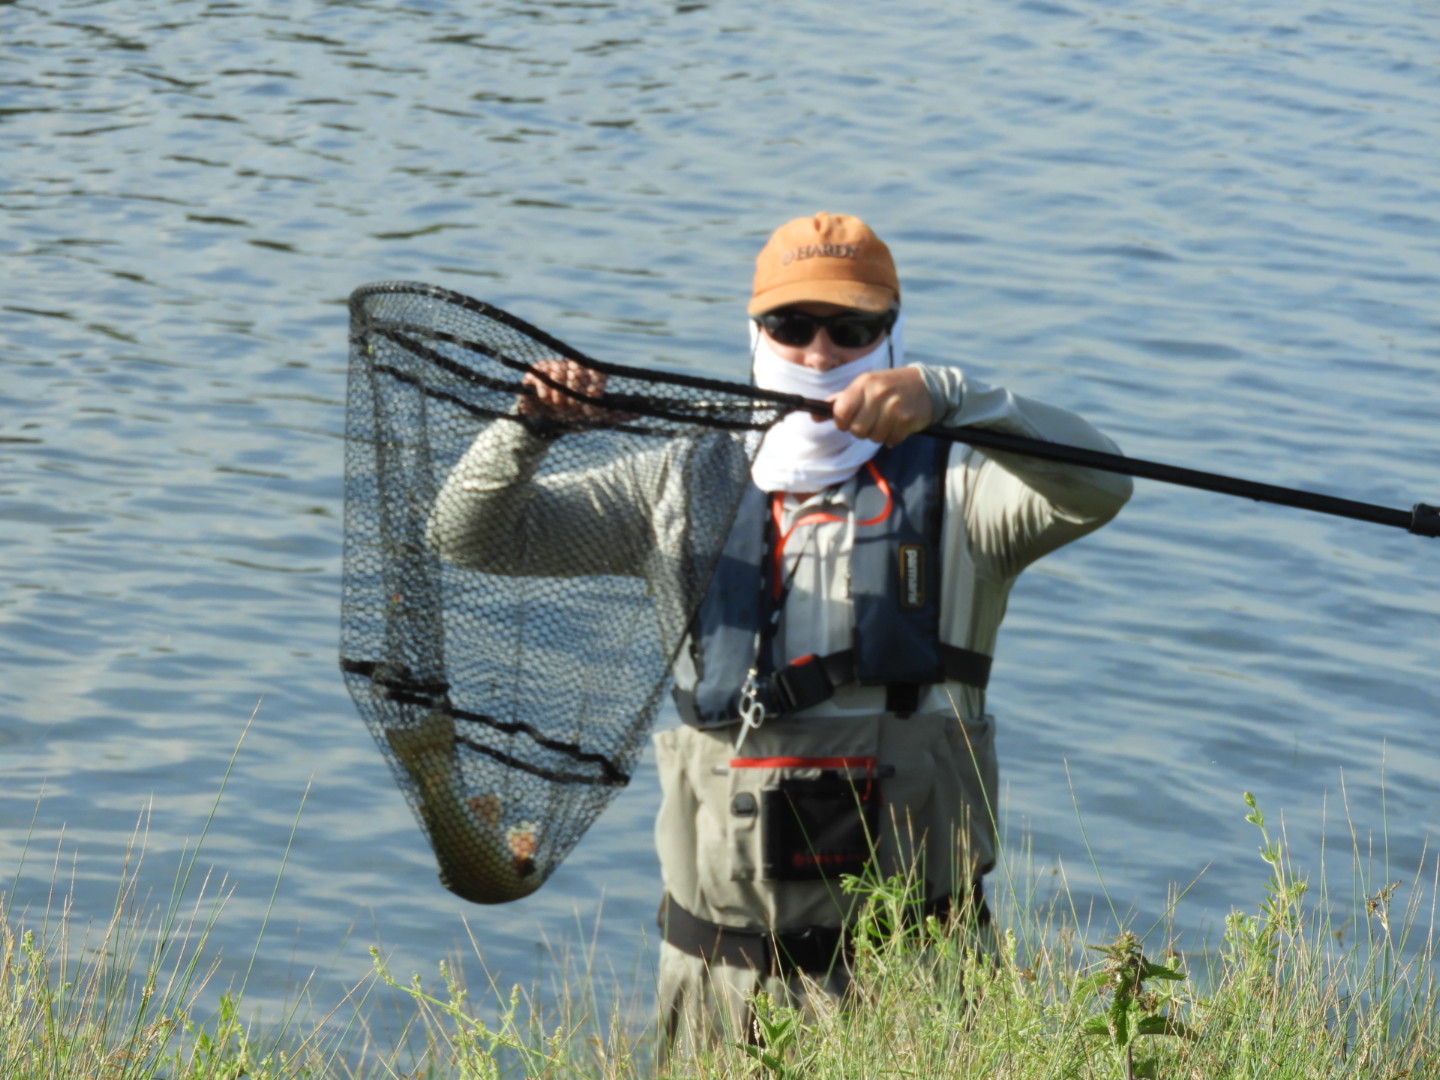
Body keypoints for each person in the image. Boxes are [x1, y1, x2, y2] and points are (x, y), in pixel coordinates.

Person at [428, 212, 1132, 1050]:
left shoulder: (966, 487)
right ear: (756, 332)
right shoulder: (673, 482)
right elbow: (468, 537)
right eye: (793, 326)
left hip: (922, 977)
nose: (821, 353)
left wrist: (954, 396)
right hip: (717, 980)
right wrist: (529, 430)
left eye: (851, 329)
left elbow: (1103, 485)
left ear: (889, 336)